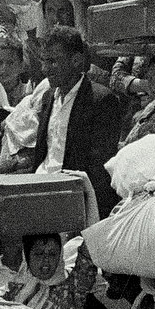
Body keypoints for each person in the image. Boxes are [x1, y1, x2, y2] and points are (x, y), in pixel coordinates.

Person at [13, 26, 126, 214]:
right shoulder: (48, 97)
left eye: (52, 62)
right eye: (43, 61)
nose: (45, 69)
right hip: (41, 188)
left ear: (76, 60)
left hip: (75, 197)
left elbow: (98, 166)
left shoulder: (101, 100)